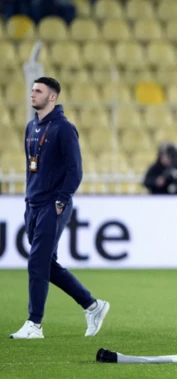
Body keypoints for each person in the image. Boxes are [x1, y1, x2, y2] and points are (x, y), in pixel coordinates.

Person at [10, 77, 110, 339]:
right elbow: (31, 167)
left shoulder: (64, 129)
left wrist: (60, 200)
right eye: (32, 90)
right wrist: (28, 199)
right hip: (33, 204)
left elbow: (75, 170)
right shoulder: (32, 126)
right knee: (46, 264)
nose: (32, 94)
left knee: (37, 262)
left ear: (52, 97)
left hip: (52, 204)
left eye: (38, 91)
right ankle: (93, 305)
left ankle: (34, 324)